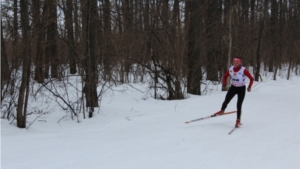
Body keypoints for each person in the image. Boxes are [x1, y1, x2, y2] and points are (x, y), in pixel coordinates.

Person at [214, 57, 254, 127]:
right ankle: (222, 110)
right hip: (233, 87)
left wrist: (249, 86)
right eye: (234, 62)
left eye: (237, 63)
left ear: (240, 63)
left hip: (241, 88)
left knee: (239, 104)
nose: (235, 64)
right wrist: (224, 84)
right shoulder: (231, 69)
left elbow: (251, 78)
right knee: (226, 100)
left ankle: (238, 120)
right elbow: (225, 77)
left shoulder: (244, 70)